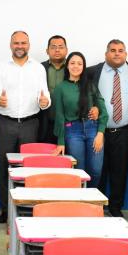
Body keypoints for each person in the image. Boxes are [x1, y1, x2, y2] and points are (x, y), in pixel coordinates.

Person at [0, 31, 51, 223]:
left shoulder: (38, 68)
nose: (20, 46)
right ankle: (6, 211)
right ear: (10, 45)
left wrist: (44, 102)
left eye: (23, 43)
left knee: (28, 170)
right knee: (4, 168)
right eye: (16, 43)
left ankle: (26, 210)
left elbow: (46, 98)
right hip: (5, 124)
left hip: (30, 124)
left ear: (29, 45)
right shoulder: (0, 68)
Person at [87, 40, 128, 217]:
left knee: (120, 171)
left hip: (123, 131)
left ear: (126, 54)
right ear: (106, 54)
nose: (117, 54)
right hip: (98, 131)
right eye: (113, 50)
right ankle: (97, 207)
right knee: (97, 170)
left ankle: (116, 207)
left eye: (121, 51)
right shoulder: (93, 72)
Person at [53, 52, 107, 187]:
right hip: (72, 131)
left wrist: (100, 133)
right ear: (67, 66)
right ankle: (80, 203)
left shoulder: (91, 85)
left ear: (83, 66)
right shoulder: (60, 88)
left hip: (93, 130)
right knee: (79, 171)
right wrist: (61, 142)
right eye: (72, 63)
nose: (76, 66)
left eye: (79, 63)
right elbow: (59, 116)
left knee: (96, 170)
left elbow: (103, 110)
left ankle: (91, 200)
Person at [38, 35, 68, 144]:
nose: (57, 50)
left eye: (61, 47)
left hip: (67, 124)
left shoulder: (74, 68)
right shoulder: (39, 68)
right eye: (53, 47)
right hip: (44, 122)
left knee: (66, 159)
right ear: (47, 50)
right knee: (45, 159)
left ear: (66, 50)